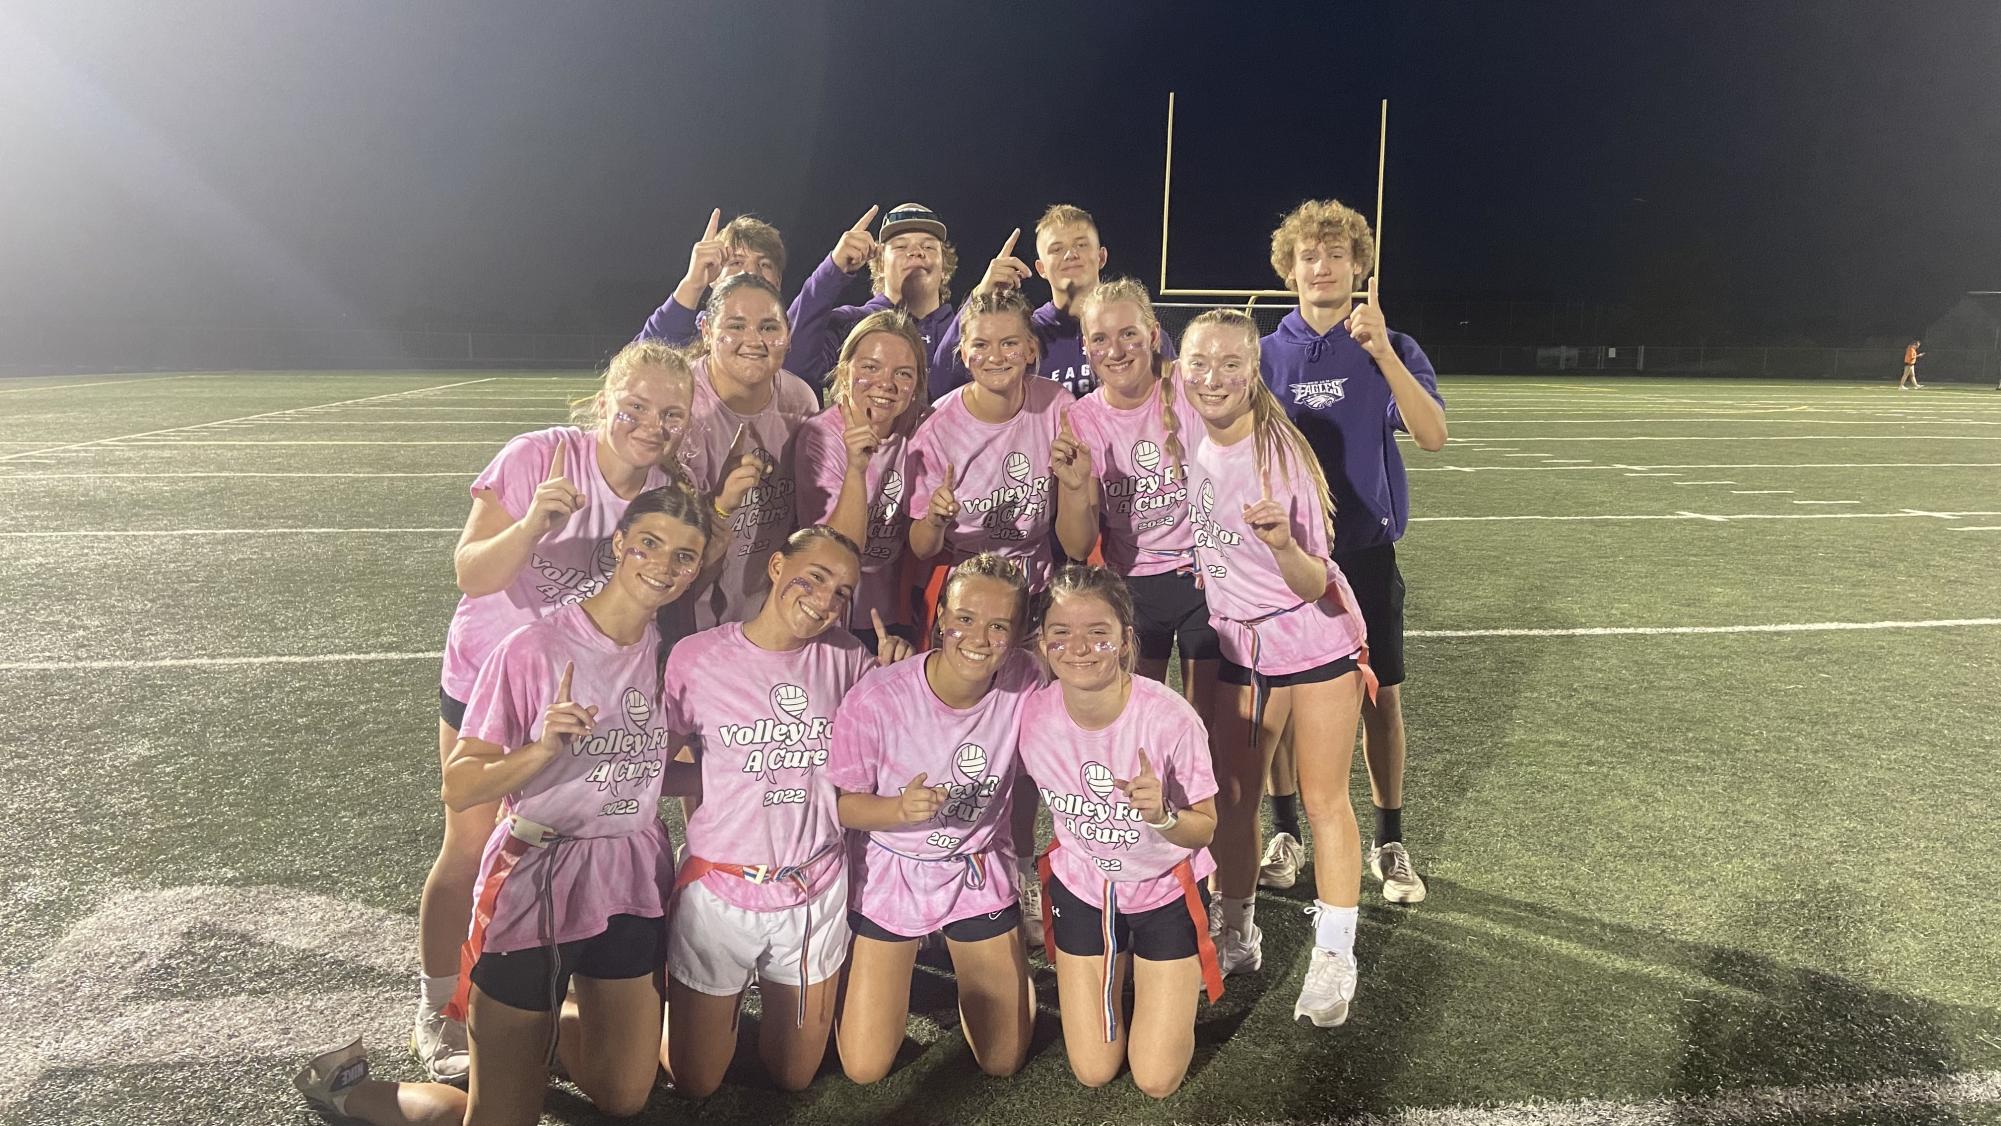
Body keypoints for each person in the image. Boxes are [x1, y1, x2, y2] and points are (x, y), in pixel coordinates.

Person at [294, 484, 711, 1124]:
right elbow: (460, 783)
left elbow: (644, 768)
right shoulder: (534, 648)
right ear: (621, 544)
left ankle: (543, 1026)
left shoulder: (670, 656)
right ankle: (351, 1091)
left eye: (685, 556)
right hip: (536, 882)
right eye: (650, 544)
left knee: (626, 1095)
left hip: (629, 877)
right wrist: (541, 751)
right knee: (496, 1121)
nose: (664, 565)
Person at [411, 341, 692, 1081]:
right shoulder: (541, 455)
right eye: (634, 406)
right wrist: (533, 523)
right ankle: (441, 1006)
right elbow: (471, 572)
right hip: (495, 672)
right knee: (473, 841)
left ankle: (562, 1006)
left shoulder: (661, 489)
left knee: (568, 835)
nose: (648, 423)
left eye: (669, 413)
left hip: (586, 690)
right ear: (605, 400)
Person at [657, 526, 913, 1097]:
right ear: (775, 566)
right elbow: (652, 763)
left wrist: (900, 673)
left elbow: (894, 742)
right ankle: (626, 1003)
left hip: (813, 887)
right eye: (815, 578)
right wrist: (720, 778)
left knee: (794, 1076)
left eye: (842, 592)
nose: (825, 600)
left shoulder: (849, 659)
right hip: (721, 889)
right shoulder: (697, 657)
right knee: (695, 1081)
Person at [1181, 308, 1376, 1029]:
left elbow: (1307, 581)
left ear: (1254, 370)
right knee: (1233, 796)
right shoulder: (1192, 422)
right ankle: (1238, 932)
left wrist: (1280, 542)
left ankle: (1334, 954)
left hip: (1311, 641)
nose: (1213, 376)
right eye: (1200, 361)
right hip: (1243, 648)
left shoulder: (1276, 456)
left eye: (1231, 362)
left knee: (1324, 800)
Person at [1258, 199, 1447, 903]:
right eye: (1308, 255)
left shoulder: (1388, 344)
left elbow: (1431, 434)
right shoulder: (1267, 354)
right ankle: (1284, 833)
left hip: (1364, 554)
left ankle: (1390, 841)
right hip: (1286, 560)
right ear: (1289, 269)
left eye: (1334, 254)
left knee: (1381, 699)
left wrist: (1381, 354)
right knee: (1279, 699)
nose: (1321, 265)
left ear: (1358, 266)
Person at [906, 289, 1085, 943]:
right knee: (957, 749)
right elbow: (921, 548)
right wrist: (937, 520)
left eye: (1010, 343)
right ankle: (940, 872)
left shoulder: (1055, 407)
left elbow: (1071, 531)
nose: (996, 355)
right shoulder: (939, 426)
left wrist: (1071, 483)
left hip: (1034, 600)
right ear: (963, 350)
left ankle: (1017, 870)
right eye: (981, 344)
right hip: (966, 609)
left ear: (1031, 349)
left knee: (1026, 753)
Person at [825, 553, 1039, 1083]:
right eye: (965, 618)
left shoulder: (1026, 679)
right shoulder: (878, 697)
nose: (978, 637)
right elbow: (844, 805)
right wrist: (898, 810)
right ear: (941, 615)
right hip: (891, 871)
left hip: (976, 871)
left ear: (1016, 636)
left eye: (997, 626)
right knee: (865, 1067)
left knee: (1002, 1059)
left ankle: (999, 965)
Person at [1019, 564, 1221, 1097]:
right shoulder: (1030, 715)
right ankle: (1128, 971)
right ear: (1042, 643)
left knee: (1157, 1080)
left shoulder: (1170, 719)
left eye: (1098, 633)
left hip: (1163, 887)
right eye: (1061, 633)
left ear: (1127, 640)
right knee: (1093, 1069)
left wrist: (1163, 817)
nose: (1078, 647)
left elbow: (1204, 829)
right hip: (1085, 886)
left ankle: (1160, 976)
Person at [1061, 278, 1220, 731]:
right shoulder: (1082, 417)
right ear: (1086, 347)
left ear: (1152, 335)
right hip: (1132, 587)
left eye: (1128, 334)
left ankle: (1198, 805)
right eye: (1100, 338)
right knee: (1136, 723)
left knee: (1203, 723)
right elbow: (1077, 543)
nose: (1116, 350)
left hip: (1201, 583)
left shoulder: (1188, 391)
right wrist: (1074, 488)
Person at [678, 273, 822, 629]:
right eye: (736, 325)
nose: (754, 340)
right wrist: (719, 507)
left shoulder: (799, 399)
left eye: (769, 327)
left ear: (788, 336)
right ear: (707, 331)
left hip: (765, 614)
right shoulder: (678, 405)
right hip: (683, 615)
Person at [792, 310, 929, 654]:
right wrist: (856, 468)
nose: (886, 383)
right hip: (831, 608)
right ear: (844, 370)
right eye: (870, 367)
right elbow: (840, 551)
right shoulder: (821, 436)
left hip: (898, 609)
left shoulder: (922, 428)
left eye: (903, 373)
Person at [930, 205, 1172, 399]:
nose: (1070, 254)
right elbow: (943, 383)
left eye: (1081, 244)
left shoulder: (1136, 328)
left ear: (1101, 257)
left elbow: (1174, 397)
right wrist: (980, 296)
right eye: (1057, 249)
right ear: (1041, 268)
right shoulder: (1028, 333)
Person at [784, 203, 960, 389]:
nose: (916, 251)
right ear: (880, 265)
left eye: (929, 247)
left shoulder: (969, 333)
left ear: (944, 268)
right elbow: (792, 371)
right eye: (900, 246)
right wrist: (832, 270)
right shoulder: (850, 323)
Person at [639, 208, 788, 346]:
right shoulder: (687, 341)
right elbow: (638, 366)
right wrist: (692, 283)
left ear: (778, 281)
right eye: (736, 262)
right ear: (714, 278)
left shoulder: (789, 342)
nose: (751, 272)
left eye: (764, 264)